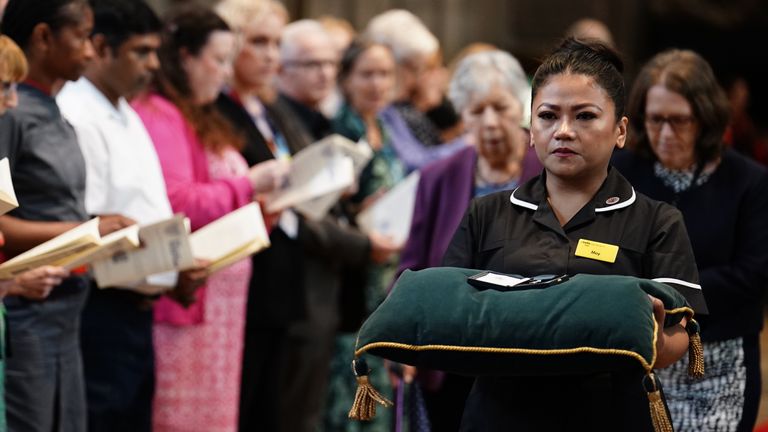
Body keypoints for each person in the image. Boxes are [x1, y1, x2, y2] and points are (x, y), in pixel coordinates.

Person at [442, 38, 706, 431]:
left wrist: (649, 339)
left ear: (620, 130)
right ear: (531, 129)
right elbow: (451, 310)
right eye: (548, 116)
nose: (563, 131)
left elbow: (680, 335)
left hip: (612, 413)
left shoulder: (657, 220)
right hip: (500, 415)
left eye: (584, 116)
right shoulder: (488, 213)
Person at [131, 6, 287, 432]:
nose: (224, 71)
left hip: (218, 308)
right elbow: (178, 202)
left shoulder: (196, 112)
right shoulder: (160, 112)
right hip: (189, 302)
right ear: (183, 56)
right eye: (217, 60)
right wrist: (249, 184)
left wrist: (264, 208)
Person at [55, 1, 209, 430]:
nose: (153, 65)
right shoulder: (78, 113)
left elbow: (144, 210)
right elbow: (92, 223)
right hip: (99, 304)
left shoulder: (124, 110)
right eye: (141, 52)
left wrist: (173, 271)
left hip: (137, 303)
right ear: (101, 48)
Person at [612, 49, 768, 432]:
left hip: (718, 361)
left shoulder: (748, 181)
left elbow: (754, 275)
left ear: (705, 118)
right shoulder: (622, 172)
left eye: (679, 121)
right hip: (639, 357)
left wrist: (665, 292)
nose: (666, 134)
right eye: (655, 120)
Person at [0, 1, 137, 430]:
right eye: (80, 37)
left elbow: (56, 204)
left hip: (65, 305)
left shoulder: (50, 108)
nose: (91, 51)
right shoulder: (14, 112)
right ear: (43, 37)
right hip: (27, 303)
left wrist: (99, 228)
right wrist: (86, 229)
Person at [397, 49, 542, 430]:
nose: (490, 122)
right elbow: (412, 265)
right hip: (453, 350)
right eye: (477, 111)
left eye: (500, 106)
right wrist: (401, 335)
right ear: (462, 116)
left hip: (531, 349)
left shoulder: (550, 167)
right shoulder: (438, 177)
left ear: (522, 106)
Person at [266, 19, 400, 431]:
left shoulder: (320, 121)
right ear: (282, 68)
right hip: (307, 286)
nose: (322, 73)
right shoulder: (301, 120)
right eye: (311, 64)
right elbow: (299, 214)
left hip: (347, 280)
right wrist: (360, 235)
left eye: (328, 63)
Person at [323, 38, 407, 431]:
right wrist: (359, 210)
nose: (377, 84)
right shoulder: (340, 131)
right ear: (346, 79)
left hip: (384, 270)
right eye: (367, 74)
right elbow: (327, 211)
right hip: (351, 272)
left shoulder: (384, 127)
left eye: (385, 74)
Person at [365, 9, 467, 171]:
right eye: (413, 68)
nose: (418, 78)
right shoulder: (382, 109)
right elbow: (416, 164)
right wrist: (469, 143)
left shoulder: (406, 107)